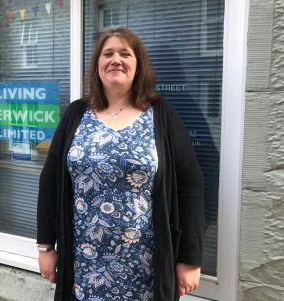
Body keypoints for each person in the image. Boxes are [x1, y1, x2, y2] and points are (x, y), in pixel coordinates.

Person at [37, 27, 205, 301]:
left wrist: (190, 258)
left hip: (145, 265)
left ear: (138, 66)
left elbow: (191, 187)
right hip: (84, 263)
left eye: (125, 53)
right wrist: (46, 247)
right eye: (108, 54)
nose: (116, 59)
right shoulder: (76, 113)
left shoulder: (161, 114)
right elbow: (50, 181)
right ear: (97, 66)